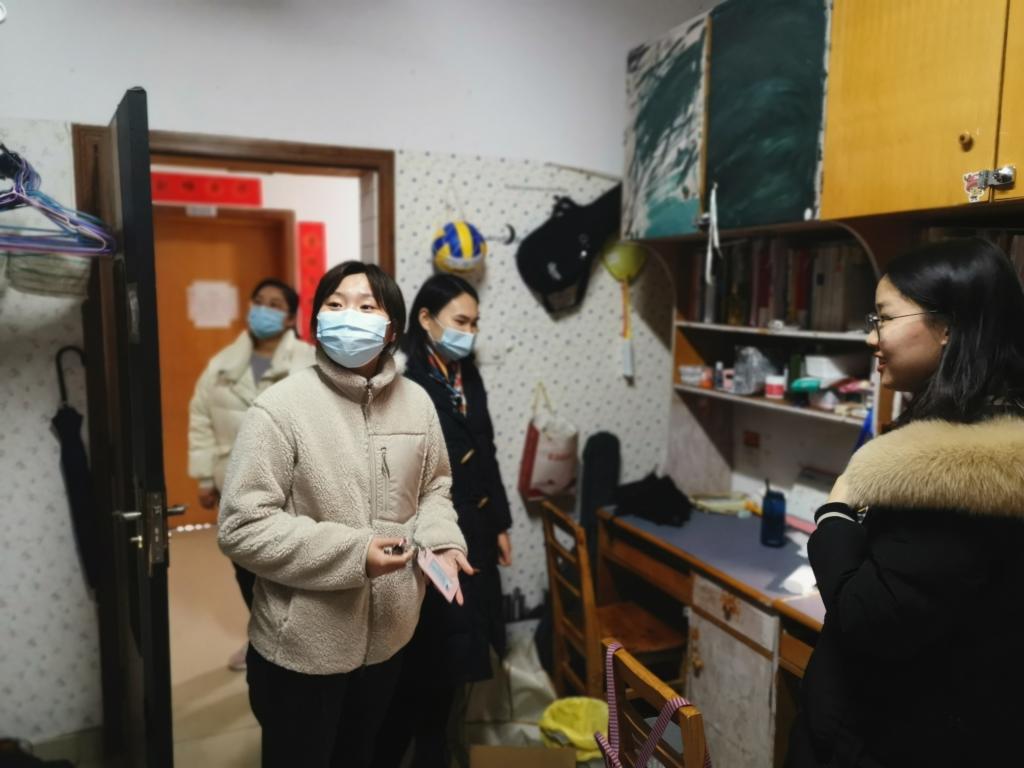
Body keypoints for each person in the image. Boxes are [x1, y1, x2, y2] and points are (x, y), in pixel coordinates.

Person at [217, 261, 473, 768]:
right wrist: (355, 553)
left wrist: (442, 538)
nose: (348, 315)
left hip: (390, 640)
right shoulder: (280, 408)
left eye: (366, 306)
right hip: (303, 649)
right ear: (317, 321)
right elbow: (242, 526)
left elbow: (434, 487)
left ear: (392, 329)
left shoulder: (418, 404)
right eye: (334, 304)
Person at [787, 237, 1024, 768]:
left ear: (949, 327)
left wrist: (837, 511)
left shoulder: (960, 469)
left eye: (884, 318)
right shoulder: (982, 434)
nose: (871, 337)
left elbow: (866, 617)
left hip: (889, 741)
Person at [371, 274, 514, 768]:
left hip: (476, 531)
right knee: (427, 658)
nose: (469, 333)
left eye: (475, 323)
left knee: (458, 659)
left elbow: (486, 450)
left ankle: (438, 751)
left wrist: (500, 523)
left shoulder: (465, 374)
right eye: (461, 321)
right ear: (427, 319)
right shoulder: (407, 381)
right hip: (431, 534)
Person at [187, 277, 314, 671]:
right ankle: (260, 638)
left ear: (290, 317)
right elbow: (200, 418)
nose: (263, 310)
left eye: (275, 304)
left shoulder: (309, 362)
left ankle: (297, 643)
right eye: (258, 301)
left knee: (289, 567)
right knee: (245, 566)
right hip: (235, 483)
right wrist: (204, 477)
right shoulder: (223, 364)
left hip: (292, 486)